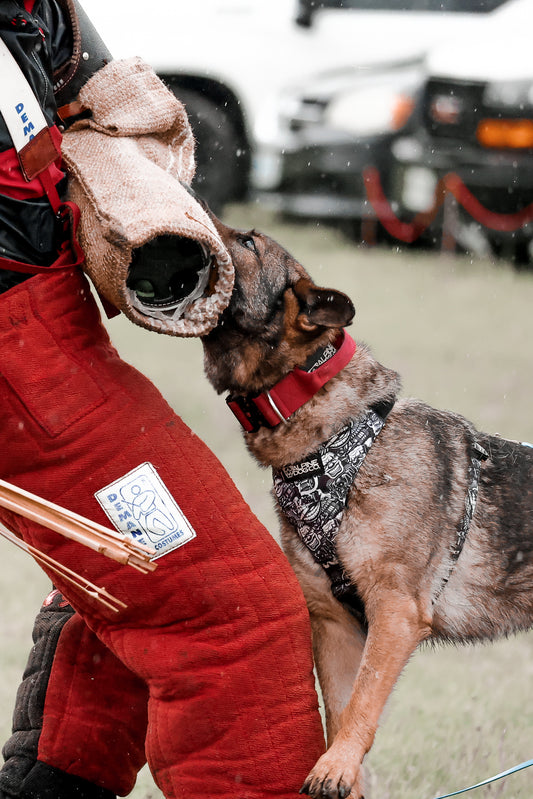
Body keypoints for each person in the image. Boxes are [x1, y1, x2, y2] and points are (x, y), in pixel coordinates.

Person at [0, 2, 325, 798]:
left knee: (140, 578)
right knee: (231, 616)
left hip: (39, 334)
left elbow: (63, 81)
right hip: (20, 355)